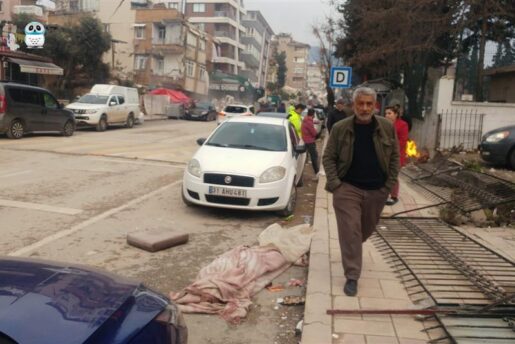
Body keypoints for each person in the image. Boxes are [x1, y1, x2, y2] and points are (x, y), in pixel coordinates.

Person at [322, 87, 400, 297]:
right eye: (360, 104)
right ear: (354, 105)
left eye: (369, 104)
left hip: (377, 190)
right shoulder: (341, 128)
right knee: (350, 231)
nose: (364, 108)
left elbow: (394, 158)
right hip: (347, 188)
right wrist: (336, 183)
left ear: (375, 106)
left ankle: (352, 248)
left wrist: (388, 186)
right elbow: (328, 157)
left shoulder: (386, 127)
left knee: (363, 231)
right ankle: (352, 276)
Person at [384, 105, 408, 205]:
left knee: (393, 175)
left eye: (389, 113)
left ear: (396, 114)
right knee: (384, 174)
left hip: (397, 155)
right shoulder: (383, 123)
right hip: (384, 154)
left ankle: (394, 196)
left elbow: (403, 141)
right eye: (386, 113)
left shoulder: (402, 125)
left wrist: (390, 144)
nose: (387, 115)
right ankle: (384, 195)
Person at [302, 108, 320, 179]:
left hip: (306, 140)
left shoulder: (306, 119)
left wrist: (316, 122)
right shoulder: (309, 122)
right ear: (313, 114)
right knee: (314, 157)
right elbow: (314, 133)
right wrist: (316, 133)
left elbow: (312, 122)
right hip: (310, 141)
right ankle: (317, 173)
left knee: (310, 155)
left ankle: (316, 172)